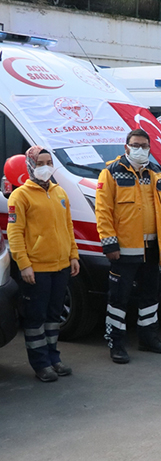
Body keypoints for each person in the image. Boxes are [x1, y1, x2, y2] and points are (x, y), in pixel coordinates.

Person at [95, 129, 161, 364]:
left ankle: (148, 338)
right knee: (119, 298)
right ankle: (116, 343)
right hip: (124, 249)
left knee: (151, 295)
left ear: (150, 148)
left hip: (153, 248)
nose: (140, 149)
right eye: (135, 145)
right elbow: (103, 212)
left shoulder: (157, 172)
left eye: (144, 146)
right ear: (126, 147)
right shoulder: (111, 173)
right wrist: (109, 243)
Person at [7, 146, 80, 382]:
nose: (45, 167)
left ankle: (53, 358)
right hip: (36, 269)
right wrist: (24, 264)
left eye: (48, 162)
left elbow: (68, 227)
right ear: (30, 165)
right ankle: (40, 364)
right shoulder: (21, 196)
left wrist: (73, 255)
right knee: (36, 318)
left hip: (60, 266)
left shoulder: (60, 192)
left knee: (53, 316)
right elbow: (15, 233)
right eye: (40, 163)